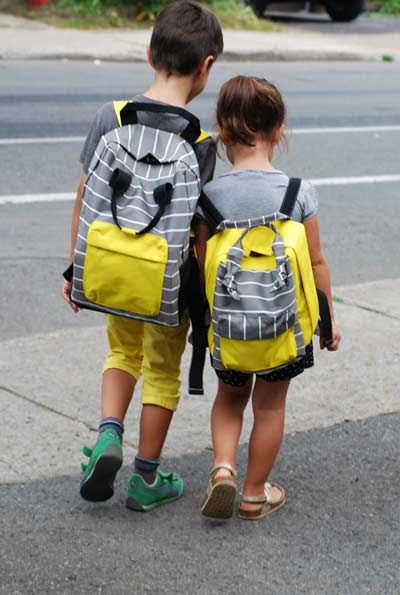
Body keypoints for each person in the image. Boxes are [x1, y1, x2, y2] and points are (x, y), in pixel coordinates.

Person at [62, 1, 223, 511]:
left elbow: (85, 194)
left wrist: (76, 269)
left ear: (150, 52)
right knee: (161, 369)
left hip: (110, 268)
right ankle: (146, 478)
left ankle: (109, 435)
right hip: (165, 284)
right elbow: (198, 231)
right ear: (207, 68)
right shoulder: (199, 142)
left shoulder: (109, 117)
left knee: (121, 353)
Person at [197, 75, 341, 520]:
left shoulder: (211, 198)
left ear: (221, 133)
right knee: (271, 406)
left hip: (230, 328)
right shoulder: (299, 193)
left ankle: (224, 468)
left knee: (229, 399)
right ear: (279, 131)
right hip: (282, 328)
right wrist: (327, 320)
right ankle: (255, 494)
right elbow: (315, 263)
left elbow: (204, 266)